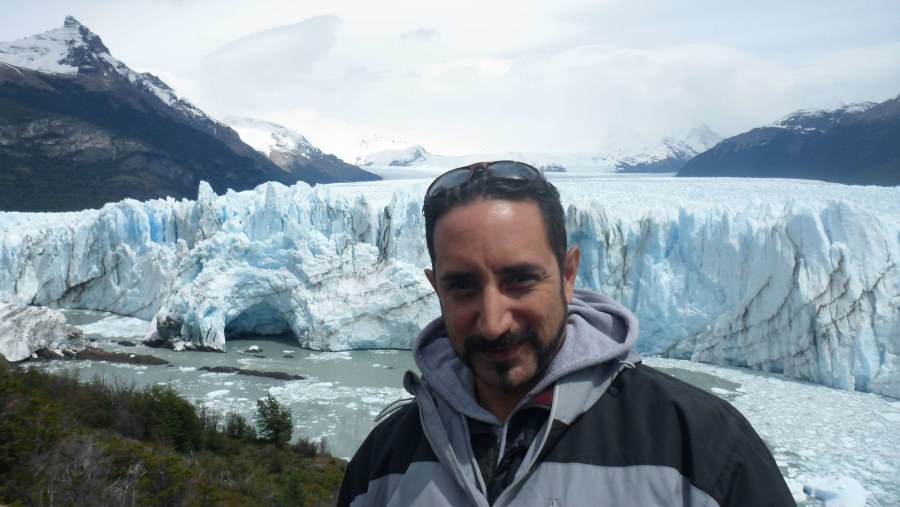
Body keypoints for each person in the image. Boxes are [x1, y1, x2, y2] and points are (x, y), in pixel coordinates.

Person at [337, 161, 795, 506]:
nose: (494, 321)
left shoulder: (703, 447)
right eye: (462, 285)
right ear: (436, 287)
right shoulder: (384, 464)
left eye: (520, 279)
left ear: (569, 273)